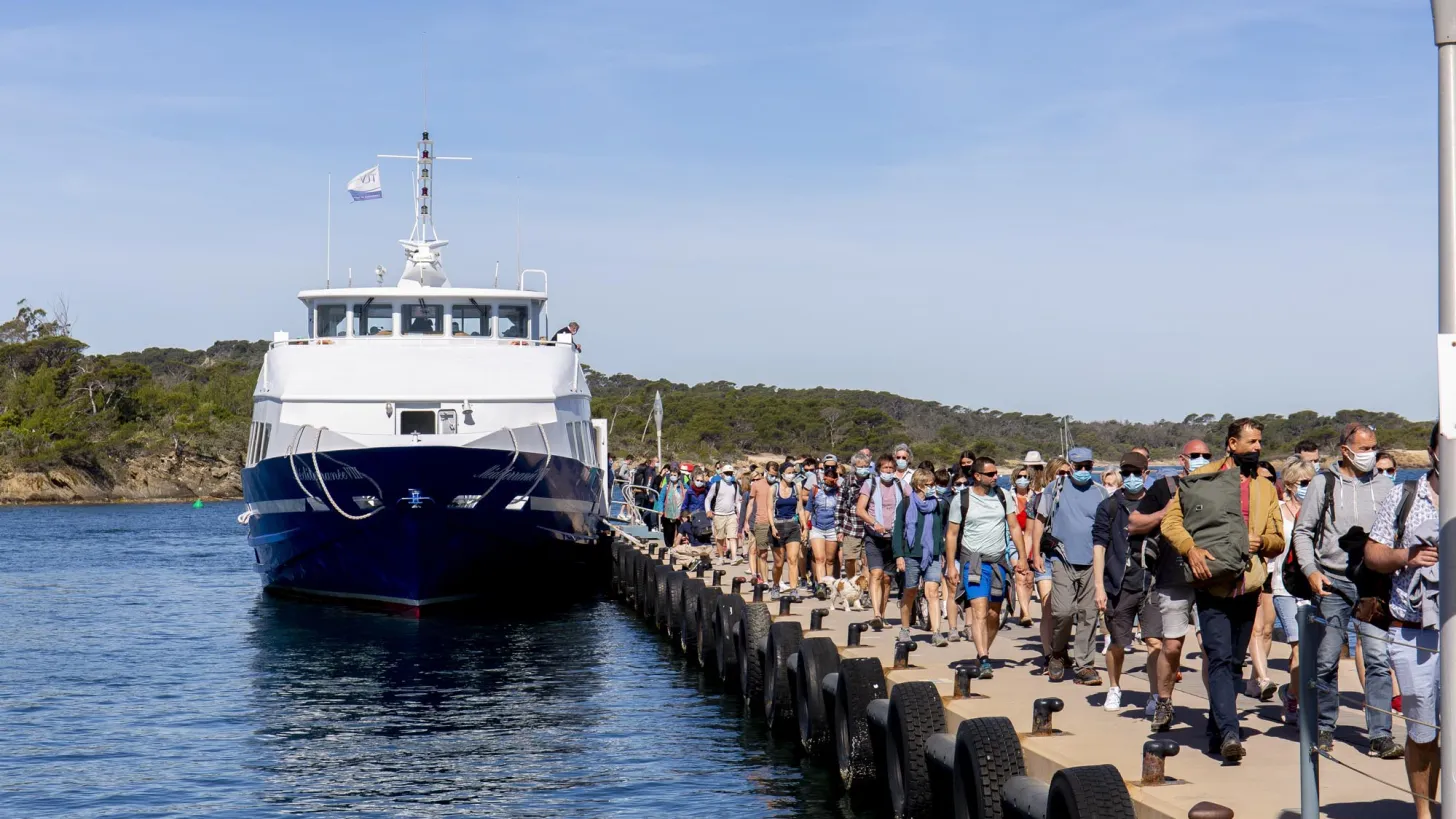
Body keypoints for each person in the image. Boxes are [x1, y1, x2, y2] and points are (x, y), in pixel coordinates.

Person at [1162, 418, 1284, 763]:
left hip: (1249, 584)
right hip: (1212, 584)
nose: (1258, 447)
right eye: (1252, 442)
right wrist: (1190, 549)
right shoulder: (1202, 478)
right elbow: (1170, 522)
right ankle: (1231, 733)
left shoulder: (1265, 486)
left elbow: (1279, 538)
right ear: (1232, 444)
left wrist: (1265, 541)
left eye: (1260, 441)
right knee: (1217, 656)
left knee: (1233, 662)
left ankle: (1218, 728)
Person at [1292, 422, 1400, 759]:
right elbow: (1303, 533)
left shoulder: (1385, 486)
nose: (1368, 455)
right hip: (1331, 584)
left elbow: (1398, 534)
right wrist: (1311, 571)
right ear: (1345, 449)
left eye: (1373, 448)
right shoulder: (1323, 483)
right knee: (1325, 660)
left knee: (1378, 660)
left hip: (1372, 585)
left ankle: (1380, 735)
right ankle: (1324, 727)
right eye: (1363, 448)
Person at [1364, 424, 1441, 819]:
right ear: (1432, 452)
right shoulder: (1404, 494)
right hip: (1413, 633)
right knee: (1423, 731)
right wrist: (1407, 556)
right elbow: (1373, 554)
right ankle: (1424, 813)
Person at [1132, 439, 1209, 731]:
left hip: (1210, 579)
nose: (1201, 459)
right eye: (1195, 455)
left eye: (1206, 455)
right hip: (1171, 577)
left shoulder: (1217, 486)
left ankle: (1218, 712)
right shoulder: (1164, 487)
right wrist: (1164, 512)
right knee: (1173, 645)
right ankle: (1164, 702)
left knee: (1211, 648)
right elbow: (1134, 522)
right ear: (1182, 459)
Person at [1028, 446, 1109, 685]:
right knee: (1062, 611)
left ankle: (1084, 665)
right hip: (1062, 559)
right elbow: (1039, 521)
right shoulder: (1056, 489)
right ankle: (1057, 652)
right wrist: (1036, 553)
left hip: (1092, 562)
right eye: (1080, 466)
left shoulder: (1101, 493)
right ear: (1071, 466)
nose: (1084, 471)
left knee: (1088, 614)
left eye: (1088, 467)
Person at [946, 456, 1024, 676]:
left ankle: (984, 650)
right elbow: (951, 535)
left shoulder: (1003, 496)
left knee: (993, 614)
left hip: (999, 562)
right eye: (991, 474)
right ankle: (984, 657)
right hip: (974, 562)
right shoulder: (962, 499)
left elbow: (1014, 527)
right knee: (979, 610)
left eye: (996, 473)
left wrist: (1022, 557)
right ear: (977, 476)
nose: (996, 477)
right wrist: (951, 566)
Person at [1093, 451, 1152, 711]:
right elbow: (1099, 546)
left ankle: (1156, 694)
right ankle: (1115, 687)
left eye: (1136, 474)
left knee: (1155, 641)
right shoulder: (1109, 506)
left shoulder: (1155, 503)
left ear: (1145, 474)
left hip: (1151, 583)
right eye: (1126, 473)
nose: (1131, 478)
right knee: (1117, 642)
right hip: (1119, 583)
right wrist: (1098, 586)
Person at [1272, 459, 1316, 723]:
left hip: (1312, 588)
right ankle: (1296, 702)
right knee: (1300, 647)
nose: (1309, 487)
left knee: (1313, 650)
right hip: (1283, 587)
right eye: (1304, 483)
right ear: (1289, 485)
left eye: (1313, 482)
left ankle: (1291, 691)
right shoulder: (1277, 512)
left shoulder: (1319, 510)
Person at [1023, 456, 1070, 673]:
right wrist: (1029, 558)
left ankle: (1061, 650)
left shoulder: (1077, 499)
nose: (1065, 477)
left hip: (1069, 558)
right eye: (1061, 473)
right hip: (1046, 558)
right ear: (1050, 475)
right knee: (1048, 606)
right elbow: (1031, 532)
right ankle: (1049, 655)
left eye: (1068, 473)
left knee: (1065, 609)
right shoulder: (1038, 499)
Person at [891, 469, 943, 644]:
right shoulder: (906, 504)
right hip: (911, 555)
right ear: (920, 485)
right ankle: (905, 628)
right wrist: (899, 555)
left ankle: (936, 632)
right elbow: (897, 531)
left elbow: (940, 531)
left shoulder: (937, 505)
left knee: (933, 592)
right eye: (930, 484)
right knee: (910, 591)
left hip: (932, 555)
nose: (933, 487)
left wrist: (941, 552)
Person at [858, 454, 905, 629]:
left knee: (886, 579)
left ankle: (882, 615)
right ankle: (876, 613)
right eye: (885, 468)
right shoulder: (870, 484)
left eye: (891, 469)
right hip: (874, 537)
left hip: (894, 538)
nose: (888, 471)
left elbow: (914, 501)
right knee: (876, 574)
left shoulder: (901, 485)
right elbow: (860, 510)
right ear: (879, 469)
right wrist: (874, 523)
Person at [772, 461, 809, 594]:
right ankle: (775, 585)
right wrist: (772, 527)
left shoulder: (796, 488)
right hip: (778, 526)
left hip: (793, 526)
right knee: (779, 563)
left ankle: (794, 589)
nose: (791, 475)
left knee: (793, 559)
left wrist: (804, 526)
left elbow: (800, 508)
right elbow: (769, 509)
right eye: (789, 473)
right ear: (782, 474)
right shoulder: (774, 489)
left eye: (793, 472)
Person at [742, 461, 779, 586]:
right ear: (766, 472)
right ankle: (764, 580)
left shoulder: (779, 485)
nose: (773, 476)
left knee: (778, 556)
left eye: (775, 474)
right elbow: (751, 504)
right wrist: (746, 522)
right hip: (760, 522)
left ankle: (775, 581)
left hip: (777, 522)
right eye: (771, 473)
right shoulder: (756, 485)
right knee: (761, 553)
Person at [807, 469, 842, 595]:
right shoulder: (815, 490)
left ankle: (829, 585)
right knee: (819, 558)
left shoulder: (838, 492)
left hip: (832, 528)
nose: (829, 482)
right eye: (827, 478)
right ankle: (821, 585)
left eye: (833, 480)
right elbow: (808, 508)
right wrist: (805, 528)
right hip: (817, 528)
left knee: (830, 560)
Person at [837, 453, 872, 581]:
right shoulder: (847, 482)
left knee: (868, 561)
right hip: (851, 527)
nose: (864, 468)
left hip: (869, 528)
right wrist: (839, 529)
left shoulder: (873, 481)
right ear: (854, 467)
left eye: (866, 466)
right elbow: (840, 506)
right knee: (850, 559)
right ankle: (852, 583)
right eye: (860, 466)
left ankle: (866, 589)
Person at [705, 464, 744, 565]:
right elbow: (708, 499)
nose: (729, 475)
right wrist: (708, 510)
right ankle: (721, 557)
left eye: (730, 473)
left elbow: (737, 501)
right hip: (718, 515)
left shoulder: (735, 485)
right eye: (727, 473)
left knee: (733, 536)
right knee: (720, 538)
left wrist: (739, 514)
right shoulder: (716, 485)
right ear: (722, 474)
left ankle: (734, 557)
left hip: (731, 515)